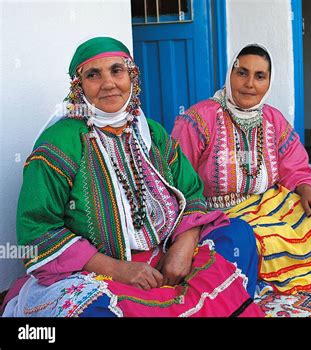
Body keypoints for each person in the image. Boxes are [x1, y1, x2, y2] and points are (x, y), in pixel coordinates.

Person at [1, 37, 263, 317]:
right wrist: (119, 270)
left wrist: (183, 249)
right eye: (93, 75)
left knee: (239, 234)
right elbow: (38, 231)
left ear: (132, 77)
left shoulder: (151, 132)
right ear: (78, 87)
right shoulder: (58, 144)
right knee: (94, 312)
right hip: (99, 272)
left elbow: (191, 192)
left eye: (117, 70)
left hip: (165, 253)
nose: (108, 83)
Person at [172, 43, 311, 294]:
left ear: (268, 82)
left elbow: (295, 166)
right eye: (242, 73)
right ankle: (249, 277)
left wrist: (307, 189)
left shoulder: (273, 119)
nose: (249, 83)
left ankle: (266, 272)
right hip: (218, 210)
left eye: (259, 76)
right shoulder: (199, 118)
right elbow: (177, 177)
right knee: (253, 241)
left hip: (267, 202)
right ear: (230, 74)